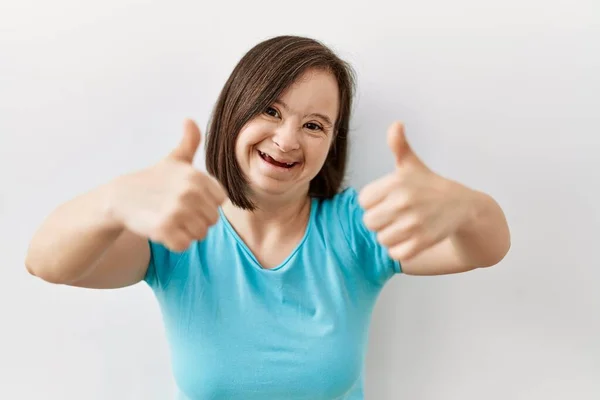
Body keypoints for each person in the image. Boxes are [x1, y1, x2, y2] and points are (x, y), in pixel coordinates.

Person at [25, 35, 511, 399]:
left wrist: (467, 207)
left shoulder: (355, 230)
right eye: (271, 111)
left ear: (332, 144)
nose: (288, 139)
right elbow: (47, 263)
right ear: (235, 112)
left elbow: (485, 250)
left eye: (314, 125)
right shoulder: (179, 231)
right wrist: (113, 200)